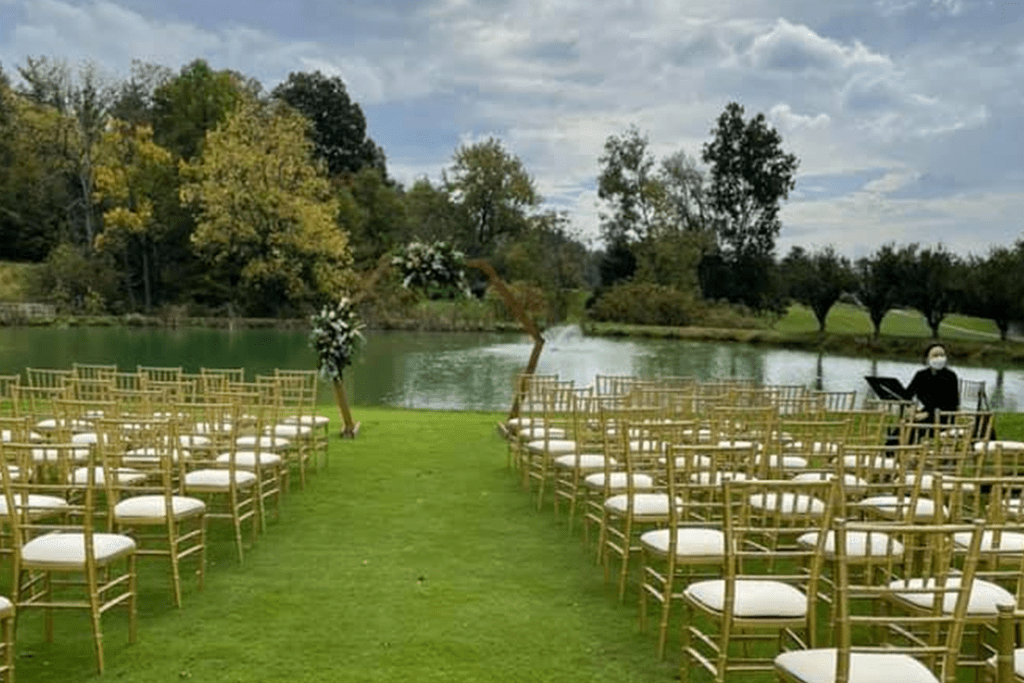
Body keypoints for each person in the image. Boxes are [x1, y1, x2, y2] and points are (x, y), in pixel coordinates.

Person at [903, 342, 959, 438]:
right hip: (924, 414)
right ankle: (889, 450)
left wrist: (928, 413)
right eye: (935, 355)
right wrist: (913, 409)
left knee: (912, 428)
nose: (939, 358)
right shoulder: (921, 375)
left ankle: (902, 450)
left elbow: (952, 403)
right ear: (928, 358)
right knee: (904, 426)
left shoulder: (950, 376)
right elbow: (908, 394)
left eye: (942, 355)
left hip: (942, 417)